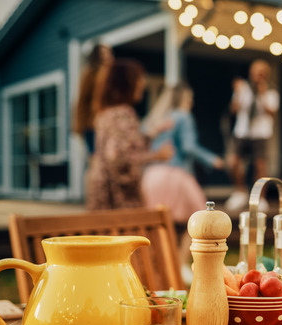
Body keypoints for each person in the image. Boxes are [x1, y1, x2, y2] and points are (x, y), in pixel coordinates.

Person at [141, 83, 225, 278]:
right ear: (183, 99)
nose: (192, 102)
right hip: (173, 173)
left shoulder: (157, 119)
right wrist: (212, 159)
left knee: (157, 223)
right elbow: (188, 147)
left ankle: (156, 269)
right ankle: (180, 264)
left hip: (151, 175)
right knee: (201, 217)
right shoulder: (182, 116)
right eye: (190, 98)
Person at [87, 59, 173, 210]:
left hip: (101, 194)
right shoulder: (123, 114)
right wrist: (157, 156)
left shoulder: (105, 113)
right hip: (117, 199)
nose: (142, 83)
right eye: (139, 78)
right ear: (125, 83)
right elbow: (119, 158)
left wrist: (154, 132)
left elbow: (128, 145)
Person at [224, 60, 280, 212]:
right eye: (255, 73)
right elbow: (233, 109)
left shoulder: (271, 92)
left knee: (260, 165)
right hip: (242, 131)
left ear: (266, 75)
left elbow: (273, 113)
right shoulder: (243, 89)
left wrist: (262, 95)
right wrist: (237, 93)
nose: (257, 77)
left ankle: (260, 198)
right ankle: (240, 192)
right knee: (233, 162)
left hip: (260, 133)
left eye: (261, 74)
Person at [73, 43, 113, 156]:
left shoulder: (113, 75)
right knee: (95, 157)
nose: (107, 56)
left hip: (110, 122)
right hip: (93, 124)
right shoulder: (89, 74)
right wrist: (79, 126)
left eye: (108, 53)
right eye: (103, 53)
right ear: (96, 56)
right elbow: (82, 101)